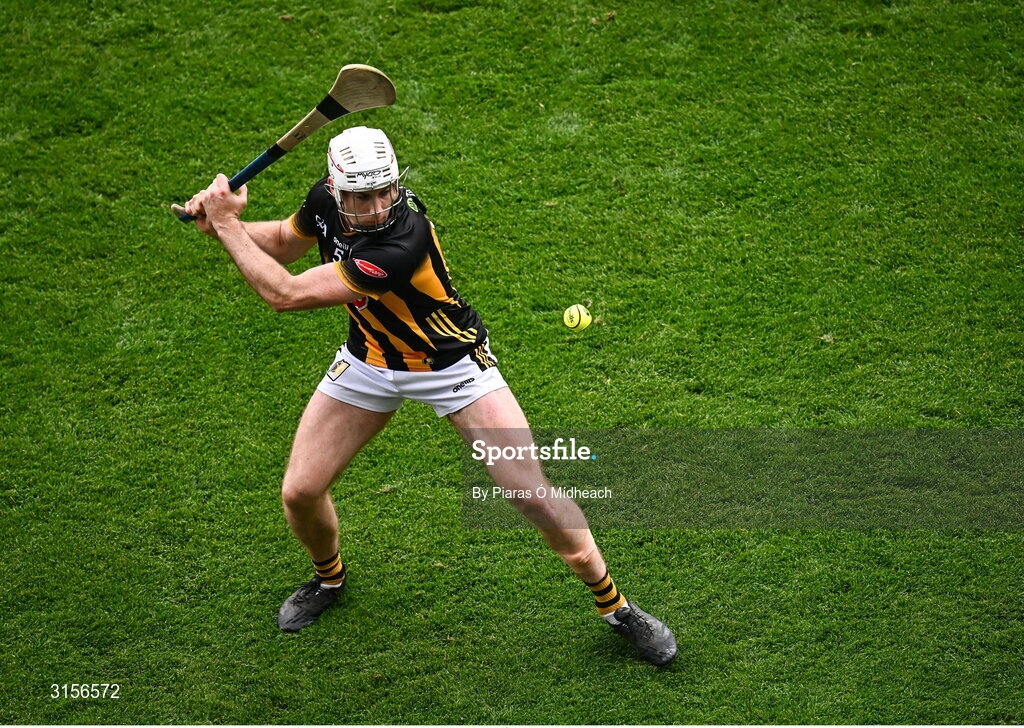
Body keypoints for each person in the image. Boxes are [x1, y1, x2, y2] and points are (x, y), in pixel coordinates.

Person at [182, 126, 677, 666]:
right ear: (334, 187)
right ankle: (329, 579)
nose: (374, 207)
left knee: (530, 494)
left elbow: (286, 293)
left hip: (452, 366)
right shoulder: (325, 200)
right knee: (300, 492)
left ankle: (618, 608)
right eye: (360, 197)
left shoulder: (401, 240)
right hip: (368, 362)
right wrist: (224, 228)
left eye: (384, 192)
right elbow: (282, 240)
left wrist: (228, 224)